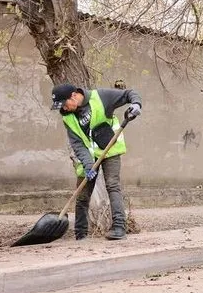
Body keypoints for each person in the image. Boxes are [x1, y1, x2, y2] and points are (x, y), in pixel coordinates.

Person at [50, 83, 142, 241]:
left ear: (73, 96)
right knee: (82, 194)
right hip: (88, 156)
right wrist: (87, 165)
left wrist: (136, 104)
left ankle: (119, 228)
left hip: (109, 149)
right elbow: (77, 143)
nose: (63, 109)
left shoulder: (100, 97)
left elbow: (129, 93)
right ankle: (80, 235)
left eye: (64, 104)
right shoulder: (67, 117)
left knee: (112, 185)